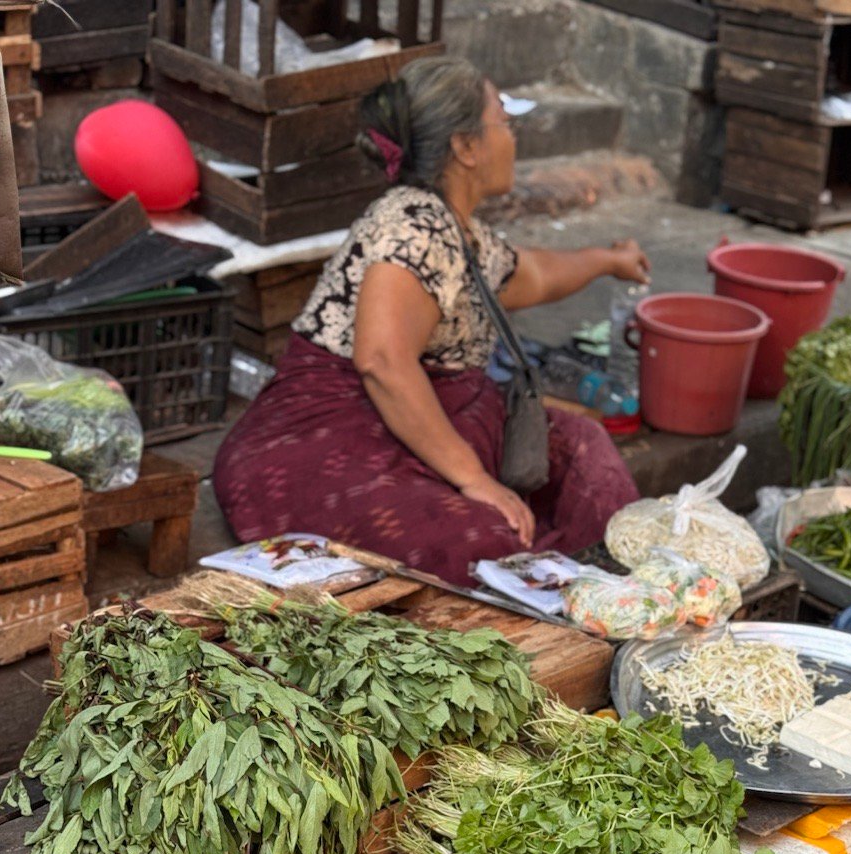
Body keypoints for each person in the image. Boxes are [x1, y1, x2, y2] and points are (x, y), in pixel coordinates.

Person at [212, 57, 648, 586]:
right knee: (490, 548)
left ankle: (606, 588)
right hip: (327, 443)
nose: (513, 137)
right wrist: (471, 478)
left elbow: (532, 275)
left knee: (583, 450)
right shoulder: (414, 224)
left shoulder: (458, 232)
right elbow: (381, 360)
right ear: (466, 147)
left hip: (411, 430)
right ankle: (564, 601)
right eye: (503, 122)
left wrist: (608, 259)